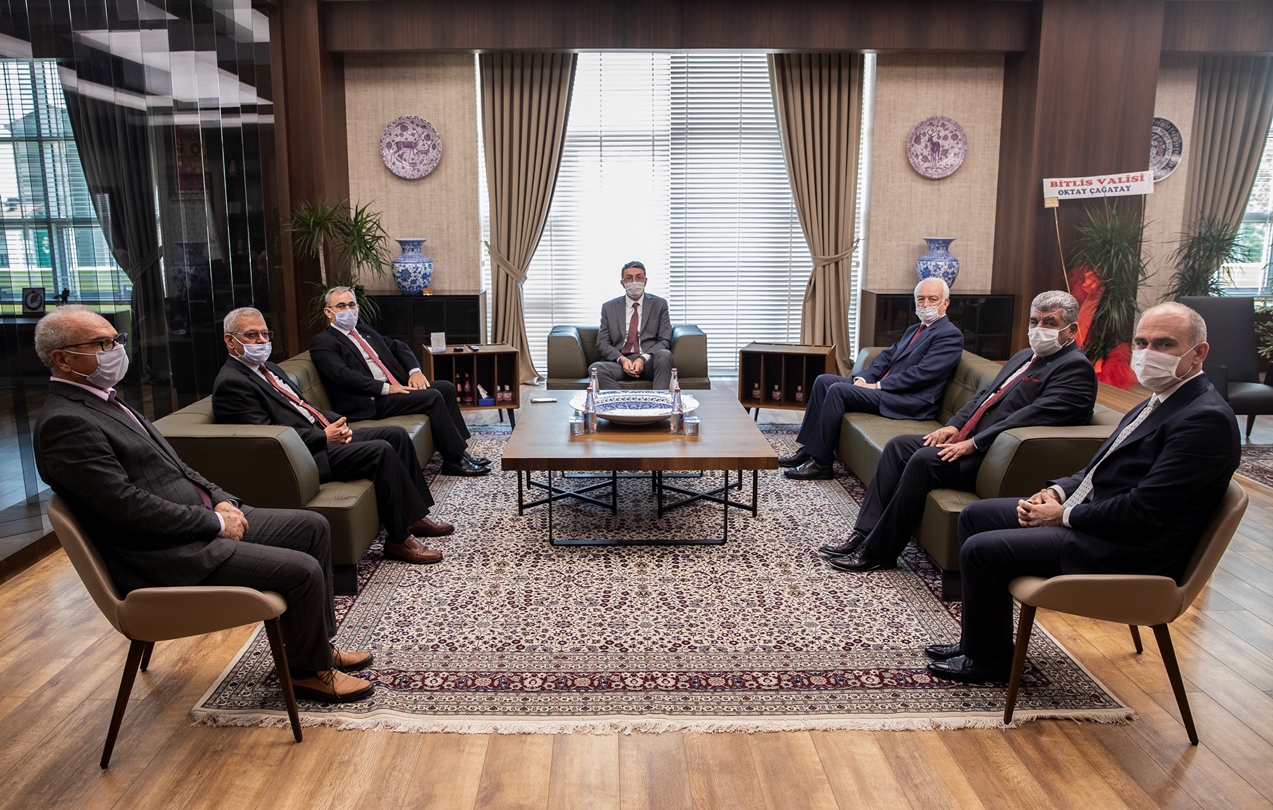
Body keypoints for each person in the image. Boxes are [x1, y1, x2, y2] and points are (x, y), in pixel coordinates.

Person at [32, 306, 373, 703]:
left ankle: (315, 648)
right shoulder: (65, 422)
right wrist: (213, 523)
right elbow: (127, 508)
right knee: (302, 571)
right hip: (167, 553)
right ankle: (308, 673)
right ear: (63, 359)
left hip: (195, 524)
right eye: (102, 344)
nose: (116, 350)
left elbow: (177, 467)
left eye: (115, 340)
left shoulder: (105, 401)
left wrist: (222, 500)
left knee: (312, 527)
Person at [926, 302, 1241, 684]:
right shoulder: (1162, 399)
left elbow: (1145, 510)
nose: (1147, 354)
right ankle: (979, 642)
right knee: (976, 515)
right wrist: (1059, 492)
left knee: (982, 550)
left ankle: (989, 662)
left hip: (1130, 548)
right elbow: (1099, 468)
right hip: (1100, 520)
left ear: (1199, 352)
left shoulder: (1204, 419)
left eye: (1164, 344)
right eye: (1141, 343)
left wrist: (1063, 516)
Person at [827, 291, 1097, 572]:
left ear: (1071, 330)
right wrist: (954, 426)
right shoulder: (1024, 355)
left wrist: (974, 443)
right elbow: (984, 396)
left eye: (1050, 323)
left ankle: (880, 551)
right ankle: (863, 533)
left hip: (995, 456)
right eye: (1034, 321)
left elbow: (1031, 416)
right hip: (969, 439)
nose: (1039, 329)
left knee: (923, 460)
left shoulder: (1075, 368)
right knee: (898, 447)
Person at [213, 307, 450, 565]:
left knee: (396, 435)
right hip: (303, 455)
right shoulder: (232, 383)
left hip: (320, 436)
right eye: (251, 335)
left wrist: (335, 421)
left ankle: (414, 517)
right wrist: (323, 437)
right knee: (380, 450)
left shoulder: (268, 368)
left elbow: (304, 407)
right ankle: (398, 540)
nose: (261, 341)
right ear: (230, 340)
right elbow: (269, 439)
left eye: (264, 334)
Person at [784, 277, 965, 480]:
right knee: (823, 381)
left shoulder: (950, 335)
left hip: (910, 399)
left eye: (932, 299)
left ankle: (821, 464)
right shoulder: (915, 329)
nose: (925, 305)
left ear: (945, 303)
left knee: (838, 390)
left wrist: (878, 385)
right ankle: (809, 449)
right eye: (920, 299)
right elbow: (886, 357)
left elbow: (923, 374)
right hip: (887, 390)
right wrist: (864, 379)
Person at [308, 287, 489, 476]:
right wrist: (386, 388)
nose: (348, 310)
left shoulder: (363, 330)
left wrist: (415, 372)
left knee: (446, 387)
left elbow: (398, 346)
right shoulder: (323, 342)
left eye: (351, 305)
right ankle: (454, 461)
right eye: (341, 306)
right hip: (369, 400)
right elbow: (342, 376)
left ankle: (461, 453)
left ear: (358, 307)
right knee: (432, 397)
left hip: (394, 387)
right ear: (328, 312)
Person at [589, 260, 675, 390]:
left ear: (645, 281)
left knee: (665, 355)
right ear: (622, 283)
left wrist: (642, 359)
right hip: (621, 363)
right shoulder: (609, 307)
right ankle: (621, 401)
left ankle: (660, 401)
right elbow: (602, 343)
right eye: (629, 278)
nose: (634, 282)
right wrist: (622, 360)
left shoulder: (660, 304)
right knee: (595, 369)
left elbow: (665, 340)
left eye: (639, 277)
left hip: (649, 361)